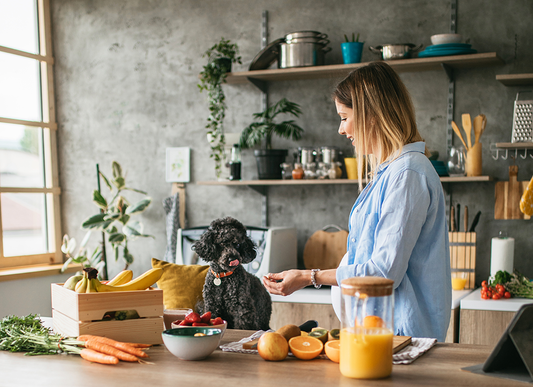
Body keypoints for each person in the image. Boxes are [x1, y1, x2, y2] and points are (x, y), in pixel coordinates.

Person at [262, 61, 451, 341]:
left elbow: (384, 273)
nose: (341, 129)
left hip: (400, 339)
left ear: (371, 115)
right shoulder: (393, 171)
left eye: (344, 116)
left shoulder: (407, 174)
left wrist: (308, 276)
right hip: (381, 334)